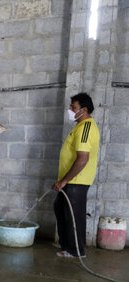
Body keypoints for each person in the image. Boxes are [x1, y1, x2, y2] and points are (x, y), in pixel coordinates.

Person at [52, 92, 100, 258]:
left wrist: (64, 180)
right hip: (69, 180)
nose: (70, 109)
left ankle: (76, 251)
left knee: (74, 215)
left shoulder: (86, 128)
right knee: (60, 208)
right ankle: (66, 244)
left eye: (73, 107)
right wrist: (62, 180)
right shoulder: (79, 126)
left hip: (77, 181)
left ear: (84, 109)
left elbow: (82, 159)